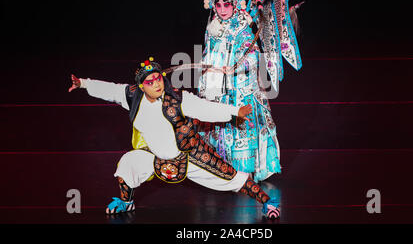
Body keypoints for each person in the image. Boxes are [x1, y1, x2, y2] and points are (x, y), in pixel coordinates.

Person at [68, 57, 280, 219]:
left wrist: (235, 111)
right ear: (142, 86)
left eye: (158, 78)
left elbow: (205, 108)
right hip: (155, 157)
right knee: (127, 164)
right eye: (150, 82)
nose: (157, 84)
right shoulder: (132, 97)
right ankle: (126, 201)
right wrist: (83, 84)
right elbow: (109, 89)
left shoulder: (177, 99)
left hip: (188, 155)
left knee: (232, 178)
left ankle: (267, 202)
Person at [195, 0, 303, 183]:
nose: (222, 9)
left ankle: (247, 169)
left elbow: (253, 56)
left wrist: (234, 68)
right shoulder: (212, 26)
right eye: (218, 5)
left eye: (226, 5)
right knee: (216, 124)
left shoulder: (244, 26)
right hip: (217, 84)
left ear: (234, 3)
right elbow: (207, 52)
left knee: (243, 124)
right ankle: (221, 168)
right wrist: (207, 75)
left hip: (242, 86)